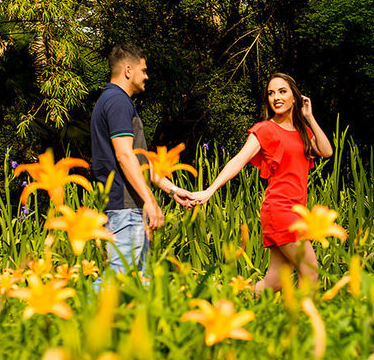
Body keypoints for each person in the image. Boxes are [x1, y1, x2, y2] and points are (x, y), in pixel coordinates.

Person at [183, 73, 333, 295]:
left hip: (297, 210)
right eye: (271, 93)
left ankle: (227, 299)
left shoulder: (303, 132)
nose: (276, 97)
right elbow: (238, 161)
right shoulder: (264, 129)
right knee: (310, 272)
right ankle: (301, 326)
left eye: (282, 91)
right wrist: (210, 190)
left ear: (295, 97)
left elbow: (327, 151)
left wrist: (309, 117)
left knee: (275, 281)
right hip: (280, 209)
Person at [90, 43, 188, 279]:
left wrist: (172, 190)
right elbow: (124, 156)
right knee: (121, 283)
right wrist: (150, 201)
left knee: (134, 285)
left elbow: (139, 159)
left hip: (123, 207)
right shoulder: (118, 102)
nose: (146, 76)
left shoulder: (111, 101)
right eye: (143, 70)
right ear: (127, 70)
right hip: (127, 208)